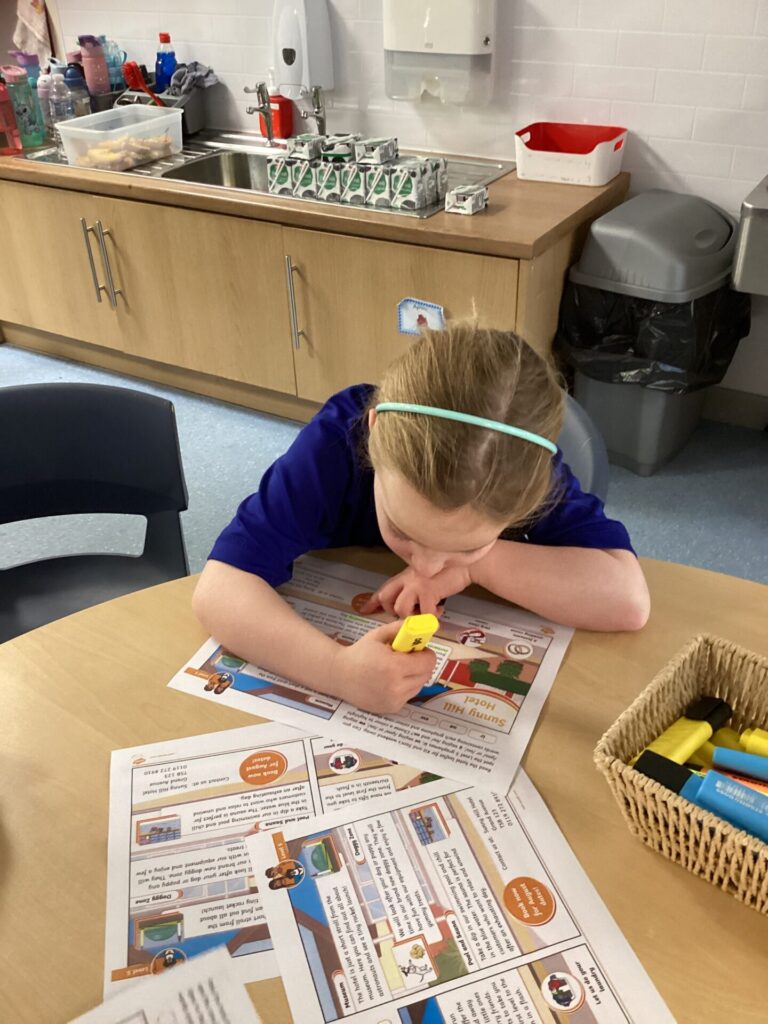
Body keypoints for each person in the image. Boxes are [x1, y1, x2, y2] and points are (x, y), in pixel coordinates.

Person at [193, 325, 649, 715]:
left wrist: (475, 568)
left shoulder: (523, 474)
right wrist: (337, 671)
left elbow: (627, 600)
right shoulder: (336, 442)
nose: (428, 567)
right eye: (403, 531)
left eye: (468, 545)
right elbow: (219, 589)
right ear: (373, 433)